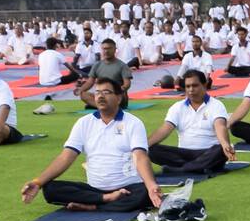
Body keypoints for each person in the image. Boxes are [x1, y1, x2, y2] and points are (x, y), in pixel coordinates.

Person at [21, 79, 162, 213]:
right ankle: (106, 200)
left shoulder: (133, 123)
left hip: (128, 187)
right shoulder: (84, 123)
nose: (100, 96)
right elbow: (66, 157)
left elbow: (140, 156)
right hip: (95, 190)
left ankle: (93, 206)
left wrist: (150, 185)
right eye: (97, 92)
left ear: (119, 98)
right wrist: (38, 182)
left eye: (106, 92)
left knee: (144, 194)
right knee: (50, 188)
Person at [145, 68, 235, 176]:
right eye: (188, 86)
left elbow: (220, 126)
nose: (191, 89)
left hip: (208, 152)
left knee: (220, 150)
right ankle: (196, 167)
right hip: (183, 154)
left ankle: (183, 170)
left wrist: (225, 144)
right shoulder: (177, 107)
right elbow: (164, 129)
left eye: (195, 85)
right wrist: (142, 147)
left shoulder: (216, 105)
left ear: (204, 85)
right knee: (151, 149)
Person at [78, 39, 134, 108]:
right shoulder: (97, 65)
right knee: (83, 94)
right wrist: (80, 90)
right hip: (101, 94)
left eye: (109, 49)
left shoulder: (122, 65)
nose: (106, 51)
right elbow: (90, 82)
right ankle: (103, 106)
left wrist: (119, 90)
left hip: (117, 95)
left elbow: (127, 84)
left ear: (115, 49)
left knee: (115, 96)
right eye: (104, 49)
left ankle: (98, 105)